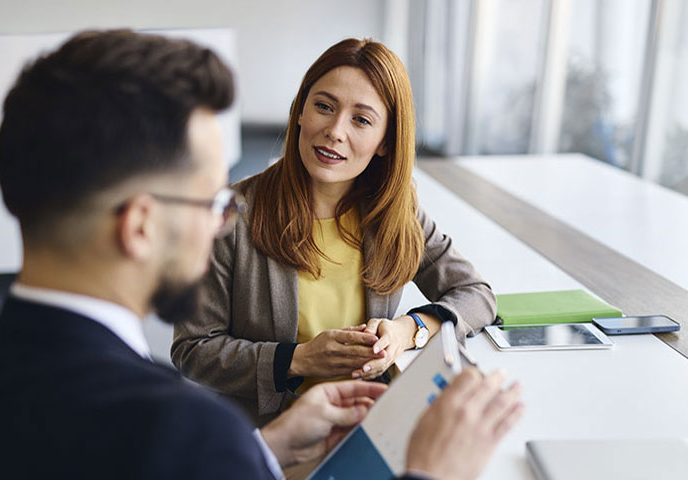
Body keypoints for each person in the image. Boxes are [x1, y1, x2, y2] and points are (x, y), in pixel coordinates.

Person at [0, 29, 523, 480]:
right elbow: (187, 395)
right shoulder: (183, 431)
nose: (223, 218)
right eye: (210, 198)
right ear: (142, 224)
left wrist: (261, 450)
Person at [172, 38, 497, 424]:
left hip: (371, 424)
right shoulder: (233, 215)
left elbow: (476, 295)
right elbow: (193, 350)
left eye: (361, 120)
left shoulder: (394, 209)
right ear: (299, 113)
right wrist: (298, 359)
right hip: (272, 437)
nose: (335, 131)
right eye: (323, 107)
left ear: (385, 143)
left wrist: (407, 331)